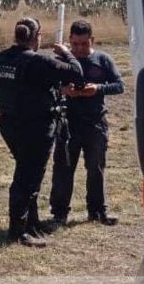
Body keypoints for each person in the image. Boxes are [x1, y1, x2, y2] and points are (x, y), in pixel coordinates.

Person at [0, 17, 85, 247]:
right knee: (27, 179)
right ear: (35, 37)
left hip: (9, 125)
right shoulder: (38, 62)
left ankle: (31, 223)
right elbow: (76, 72)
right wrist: (66, 53)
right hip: (35, 127)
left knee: (26, 172)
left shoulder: (2, 58)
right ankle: (17, 231)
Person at [49, 20, 125, 226]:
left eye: (83, 44)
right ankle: (59, 213)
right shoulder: (62, 61)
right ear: (70, 41)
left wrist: (97, 89)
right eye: (75, 44)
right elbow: (49, 85)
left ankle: (97, 211)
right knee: (63, 168)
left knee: (96, 168)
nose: (79, 49)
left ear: (92, 40)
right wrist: (64, 90)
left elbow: (119, 86)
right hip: (68, 123)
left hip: (95, 123)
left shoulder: (103, 59)